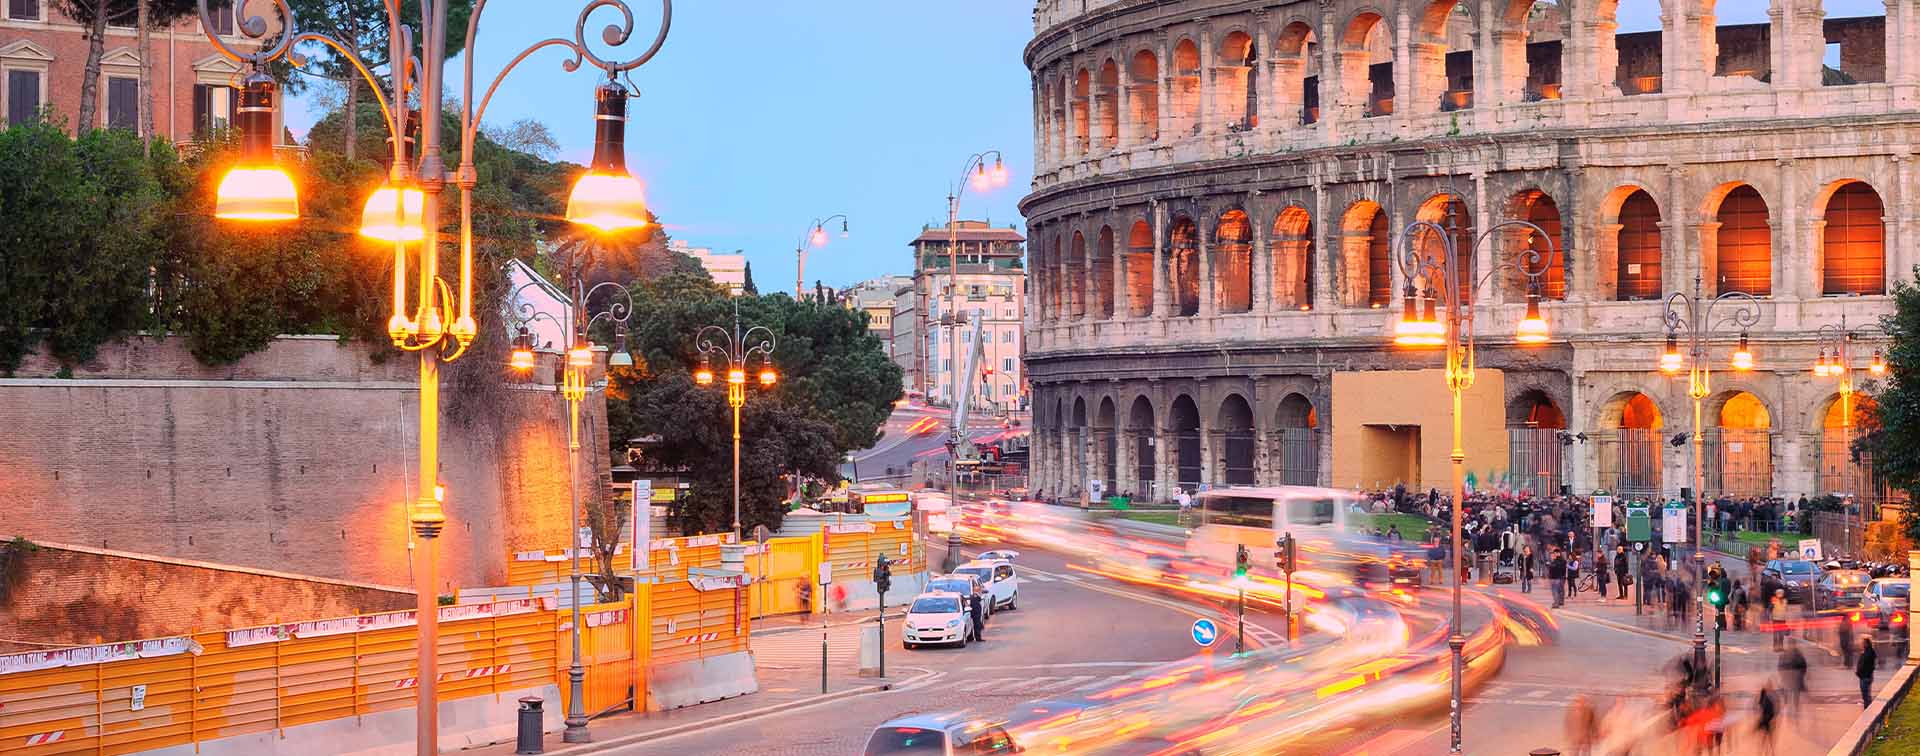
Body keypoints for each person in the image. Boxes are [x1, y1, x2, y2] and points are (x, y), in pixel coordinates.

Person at [1753, 682, 1779, 756]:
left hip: (1767, 722)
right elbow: (1767, 712)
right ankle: (1769, 753)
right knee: (1766, 739)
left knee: (1766, 739)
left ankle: (1768, 753)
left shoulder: (1766, 701)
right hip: (1767, 721)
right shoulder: (1764, 700)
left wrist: (1765, 720)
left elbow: (1771, 713)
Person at [1857, 637, 1878, 707]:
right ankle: (1867, 706)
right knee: (1865, 694)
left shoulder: (1869, 652)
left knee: (1866, 694)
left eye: (1863, 643)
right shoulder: (1866, 652)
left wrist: (1861, 671)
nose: (1861, 644)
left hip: (1866, 676)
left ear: (1867, 644)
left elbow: (1868, 665)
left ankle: (1868, 708)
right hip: (1864, 676)